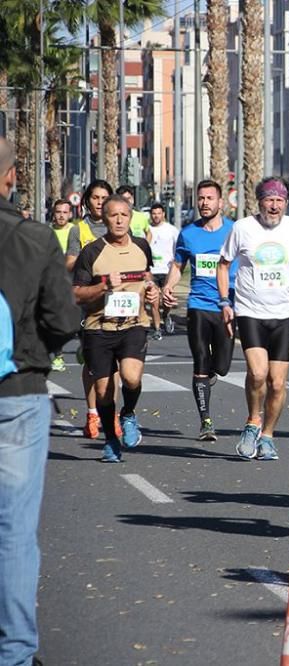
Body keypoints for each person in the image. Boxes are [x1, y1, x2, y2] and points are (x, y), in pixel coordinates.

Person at [0, 136, 78, 666]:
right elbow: (63, 321)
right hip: (16, 394)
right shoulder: (32, 237)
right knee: (13, 532)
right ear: (9, 178)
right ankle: (15, 652)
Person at [217, 177, 289, 460]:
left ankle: (268, 436)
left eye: (279, 200)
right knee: (258, 374)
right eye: (269, 200)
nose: (274, 206)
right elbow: (223, 265)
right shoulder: (242, 228)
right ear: (259, 202)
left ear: (286, 203)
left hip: (284, 313)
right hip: (250, 311)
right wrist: (225, 301)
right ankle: (252, 421)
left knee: (278, 383)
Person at [73, 194, 159, 462]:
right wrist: (102, 286)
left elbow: (147, 278)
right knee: (103, 391)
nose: (119, 220)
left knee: (132, 377)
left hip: (133, 325)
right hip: (98, 328)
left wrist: (153, 291)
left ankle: (129, 413)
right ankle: (111, 439)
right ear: (105, 218)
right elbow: (76, 294)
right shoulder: (92, 252)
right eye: (113, 215)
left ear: (131, 217)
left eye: (124, 215)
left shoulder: (142, 246)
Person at [163, 180, 238, 441]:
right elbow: (177, 265)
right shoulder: (188, 234)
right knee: (200, 362)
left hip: (228, 306)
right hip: (198, 305)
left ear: (221, 202)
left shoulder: (234, 231)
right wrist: (168, 287)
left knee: (223, 365)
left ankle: (212, 375)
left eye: (210, 198)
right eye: (201, 198)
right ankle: (206, 422)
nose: (205, 203)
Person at [66, 179, 118, 441]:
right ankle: (92, 412)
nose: (99, 202)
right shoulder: (79, 230)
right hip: (90, 302)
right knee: (92, 363)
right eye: (95, 198)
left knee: (115, 362)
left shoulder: (118, 225)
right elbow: (70, 264)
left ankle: (113, 414)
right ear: (87, 200)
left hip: (118, 300)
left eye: (103, 198)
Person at [49, 199, 78, 372]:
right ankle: (58, 356)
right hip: (53, 283)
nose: (61, 215)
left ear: (70, 214)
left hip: (73, 281)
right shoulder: (47, 231)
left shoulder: (74, 231)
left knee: (78, 319)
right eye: (58, 212)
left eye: (64, 212)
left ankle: (84, 347)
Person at [146, 202, 179, 340]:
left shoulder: (171, 230)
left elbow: (179, 249)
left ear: (163, 214)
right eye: (154, 213)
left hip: (167, 270)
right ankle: (158, 328)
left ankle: (165, 315)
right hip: (152, 270)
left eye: (159, 213)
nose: (156, 216)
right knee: (154, 301)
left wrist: (175, 262)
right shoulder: (147, 230)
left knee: (166, 301)